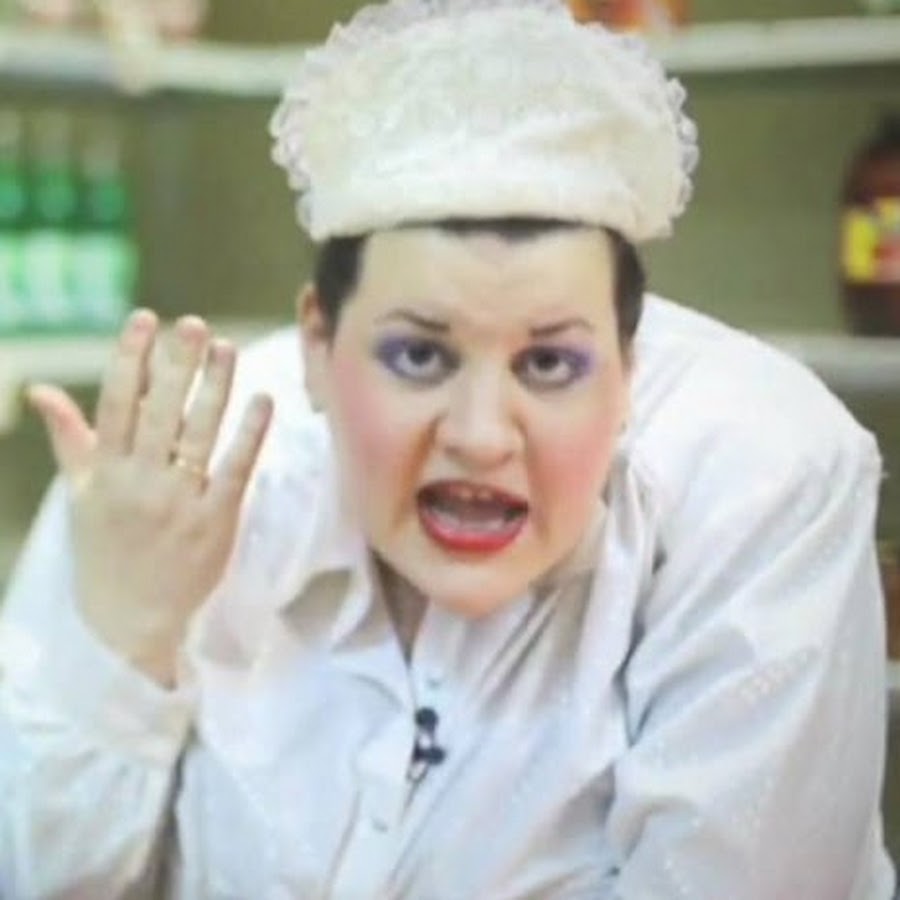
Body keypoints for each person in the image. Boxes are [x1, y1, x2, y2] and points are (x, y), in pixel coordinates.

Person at [0, 0, 896, 897]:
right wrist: (128, 633)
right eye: (420, 356)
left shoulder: (759, 475)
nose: (480, 436)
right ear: (318, 344)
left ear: (629, 365)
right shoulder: (182, 473)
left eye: (549, 363)